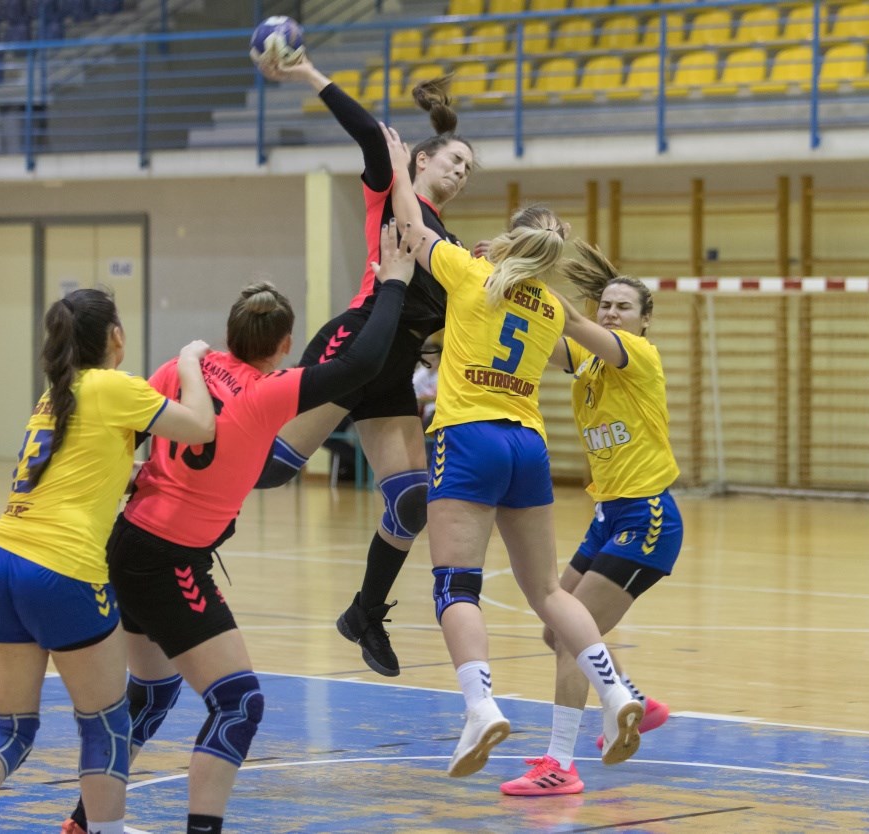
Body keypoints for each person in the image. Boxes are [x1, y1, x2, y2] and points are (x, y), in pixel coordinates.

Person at [61, 221, 422, 834]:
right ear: (284, 345)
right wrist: (394, 284)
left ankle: (82, 822)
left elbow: (126, 440)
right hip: (169, 559)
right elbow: (361, 363)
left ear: (229, 333)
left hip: (128, 543)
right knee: (238, 703)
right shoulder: (270, 391)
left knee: (152, 695)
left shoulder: (182, 369)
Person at [383, 127, 644, 779]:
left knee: (456, 584)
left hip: (469, 436)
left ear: (508, 241)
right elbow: (575, 356)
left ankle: (480, 706)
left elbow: (410, 224)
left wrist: (397, 164)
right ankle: (615, 693)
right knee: (549, 592)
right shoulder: (550, 306)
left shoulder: (471, 273)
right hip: (528, 444)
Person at [0, 288, 218, 834]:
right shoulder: (112, 386)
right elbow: (201, 426)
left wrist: (127, 477)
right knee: (105, 726)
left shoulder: (56, 395)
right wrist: (191, 361)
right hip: (61, 570)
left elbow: (77, 471)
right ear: (115, 335)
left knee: (6, 728)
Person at [251, 48, 476, 678]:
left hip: (393, 369)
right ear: (422, 159)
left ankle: (364, 613)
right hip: (355, 344)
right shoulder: (391, 192)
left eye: (468, 169)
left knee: (411, 502)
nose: (461, 172)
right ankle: (167, 482)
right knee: (271, 470)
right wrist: (306, 73)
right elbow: (370, 134)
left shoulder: (450, 244)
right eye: (454, 160)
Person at [499, 246, 683, 796]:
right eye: (606, 305)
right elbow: (545, 334)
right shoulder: (589, 360)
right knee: (556, 627)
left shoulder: (638, 354)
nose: (611, 313)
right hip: (608, 516)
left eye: (624, 307)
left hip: (646, 517)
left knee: (569, 640)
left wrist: (519, 267)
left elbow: (570, 322)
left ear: (644, 320)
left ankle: (561, 764)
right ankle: (635, 702)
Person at [413, 336, 441, 429]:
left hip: (440, 411)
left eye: (433, 359)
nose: (429, 363)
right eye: (426, 360)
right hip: (427, 414)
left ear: (440, 359)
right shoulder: (420, 374)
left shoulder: (443, 374)